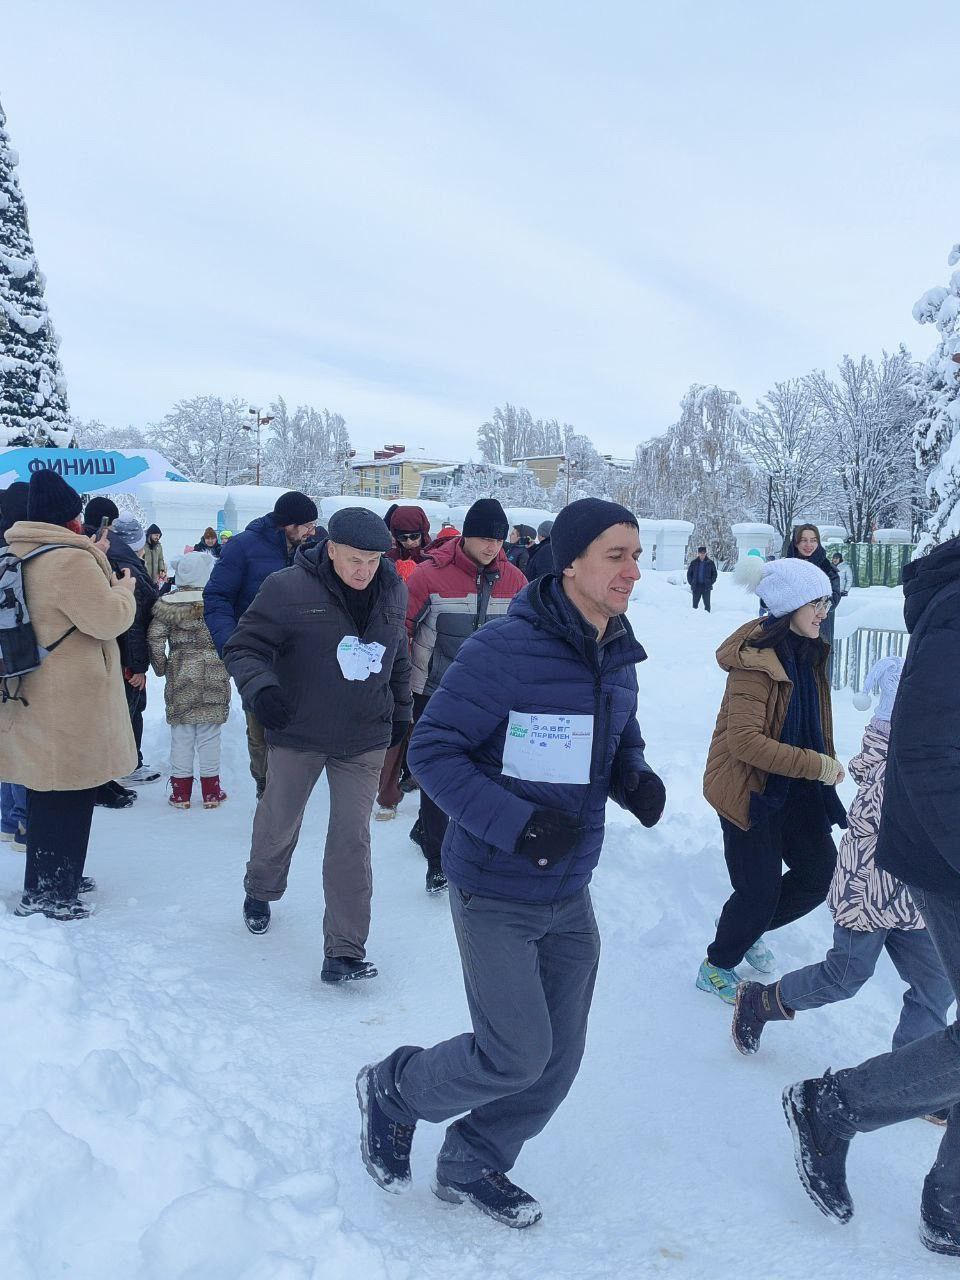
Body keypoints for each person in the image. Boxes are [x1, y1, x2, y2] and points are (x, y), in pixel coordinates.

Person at [356, 498, 665, 1228]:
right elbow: (432, 753)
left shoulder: (615, 645)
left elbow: (617, 732)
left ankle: (474, 1160)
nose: (634, 570)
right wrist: (521, 827)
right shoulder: (504, 650)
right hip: (496, 885)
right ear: (571, 562)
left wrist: (634, 774)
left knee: (555, 1060)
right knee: (515, 1052)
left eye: (637, 553)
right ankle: (394, 1089)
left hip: (570, 887)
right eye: (617, 555)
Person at [779, 535, 960, 1258]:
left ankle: (948, 1200)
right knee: (858, 973)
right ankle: (833, 1105)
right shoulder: (954, 611)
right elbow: (926, 751)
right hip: (944, 853)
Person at [732, 655, 953, 1069]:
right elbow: (875, 804)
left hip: (915, 897)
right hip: (867, 890)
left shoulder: (940, 753)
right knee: (845, 976)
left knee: (935, 986)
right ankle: (761, 1001)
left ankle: (907, 1078)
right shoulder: (892, 764)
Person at [223, 508, 411, 982]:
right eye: (354, 559)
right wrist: (261, 689)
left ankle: (343, 951)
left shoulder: (392, 588)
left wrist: (403, 710)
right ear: (330, 548)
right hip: (299, 729)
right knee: (278, 821)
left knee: (352, 841)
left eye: (372, 559)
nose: (364, 569)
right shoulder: (287, 588)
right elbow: (244, 646)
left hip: (363, 735)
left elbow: (398, 654)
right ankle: (261, 888)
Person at [697, 555, 847, 1003]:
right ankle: (717, 964)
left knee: (819, 873)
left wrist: (826, 763)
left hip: (796, 789)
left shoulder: (809, 652)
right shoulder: (755, 662)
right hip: (749, 789)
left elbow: (812, 721)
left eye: (827, 602)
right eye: (815, 603)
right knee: (758, 890)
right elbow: (745, 742)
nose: (824, 612)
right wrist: (817, 764)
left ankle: (751, 929)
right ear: (789, 606)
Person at [0, 472, 137, 920]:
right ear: (70, 516)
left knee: (45, 791)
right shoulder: (68, 560)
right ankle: (53, 896)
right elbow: (107, 620)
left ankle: (51, 880)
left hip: (28, 689)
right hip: (70, 699)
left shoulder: (15, 552)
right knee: (71, 793)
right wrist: (124, 591)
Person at [404, 499, 527, 892]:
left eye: (497, 538)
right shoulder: (427, 576)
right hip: (434, 691)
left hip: (492, 697)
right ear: (465, 535)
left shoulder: (516, 580)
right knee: (437, 772)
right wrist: (398, 681)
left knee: (483, 773)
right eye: (483, 537)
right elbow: (401, 626)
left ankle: (443, 831)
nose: (492, 546)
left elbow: (527, 636)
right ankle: (437, 859)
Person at [204, 491, 322, 799]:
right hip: (256, 655)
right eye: (307, 524)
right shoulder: (242, 547)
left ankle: (292, 783)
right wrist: (231, 647)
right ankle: (265, 786)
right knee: (260, 726)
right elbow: (217, 598)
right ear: (288, 524)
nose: (312, 531)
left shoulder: (310, 550)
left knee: (298, 723)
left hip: (300, 657)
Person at [148, 550, 231, 810]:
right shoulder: (216, 602)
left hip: (181, 672)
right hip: (214, 672)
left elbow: (154, 638)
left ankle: (181, 793)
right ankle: (211, 793)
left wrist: (161, 667)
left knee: (182, 735)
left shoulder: (168, 604)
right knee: (209, 734)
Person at [109, 514, 161, 786]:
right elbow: (133, 625)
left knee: (126, 710)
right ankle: (128, 766)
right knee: (129, 710)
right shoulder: (128, 569)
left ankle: (126, 764)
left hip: (116, 655)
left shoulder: (114, 559)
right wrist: (138, 667)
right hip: (126, 658)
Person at [0, 481, 30, 851]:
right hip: (13, 657)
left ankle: (8, 819)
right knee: (22, 738)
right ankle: (23, 822)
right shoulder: (17, 551)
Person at [786, 524, 842, 649]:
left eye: (813, 540)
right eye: (803, 540)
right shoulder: (784, 567)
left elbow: (833, 601)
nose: (808, 545)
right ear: (796, 543)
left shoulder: (827, 570)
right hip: (786, 634)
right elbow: (767, 601)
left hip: (818, 634)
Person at [386, 504, 430, 584]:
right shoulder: (389, 559)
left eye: (414, 536)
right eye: (403, 538)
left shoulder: (433, 556)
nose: (409, 542)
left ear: (423, 534)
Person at [687, 545, 718, 611]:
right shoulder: (694, 562)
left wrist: (710, 582)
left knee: (707, 605)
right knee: (694, 606)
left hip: (706, 586)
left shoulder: (710, 563)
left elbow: (714, 574)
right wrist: (691, 582)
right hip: (696, 586)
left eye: (704, 553)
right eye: (701, 553)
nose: (702, 555)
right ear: (698, 553)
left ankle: (707, 618)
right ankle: (694, 618)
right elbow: (689, 574)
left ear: (705, 553)